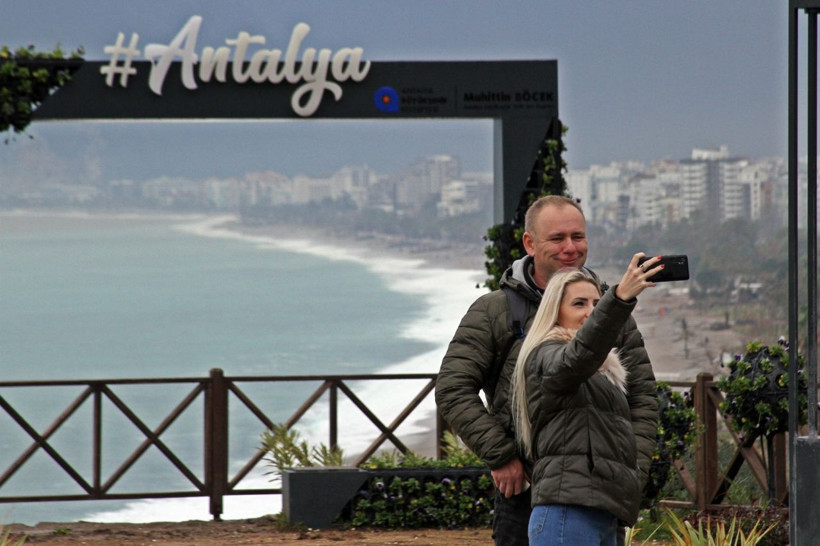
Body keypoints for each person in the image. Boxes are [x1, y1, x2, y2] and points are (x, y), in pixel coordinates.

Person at [435, 195, 657, 545]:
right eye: (557, 238)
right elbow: (453, 388)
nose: (570, 247)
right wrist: (501, 455)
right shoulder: (495, 311)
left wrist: (630, 473)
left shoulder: (609, 312)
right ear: (530, 243)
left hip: (600, 492)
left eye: (578, 236)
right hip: (523, 486)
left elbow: (642, 398)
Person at [510, 261, 660, 545]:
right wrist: (618, 300)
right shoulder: (545, 355)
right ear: (554, 312)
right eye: (579, 304)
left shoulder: (603, 370)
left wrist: (632, 476)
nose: (591, 312)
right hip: (567, 512)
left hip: (604, 511)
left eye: (596, 304)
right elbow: (574, 360)